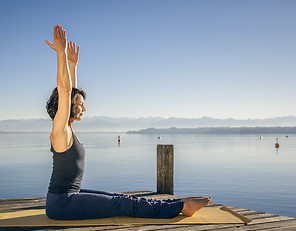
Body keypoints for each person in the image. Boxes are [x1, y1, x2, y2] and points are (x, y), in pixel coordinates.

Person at [44, 25, 211, 220]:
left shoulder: (68, 129)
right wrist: (61, 54)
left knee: (119, 197)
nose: (84, 108)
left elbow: (69, 93)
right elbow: (65, 91)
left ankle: (176, 204)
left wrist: (73, 66)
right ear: (67, 107)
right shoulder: (60, 130)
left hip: (71, 197)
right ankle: (182, 207)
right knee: (121, 204)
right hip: (62, 204)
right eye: (80, 105)